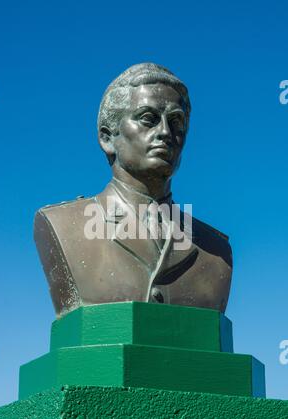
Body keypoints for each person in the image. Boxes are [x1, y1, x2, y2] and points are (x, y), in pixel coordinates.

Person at [34, 63, 232, 317]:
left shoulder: (215, 249)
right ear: (107, 138)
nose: (165, 132)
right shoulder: (62, 225)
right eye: (148, 119)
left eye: (176, 122)